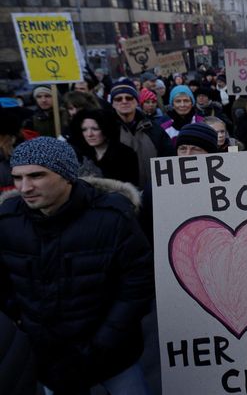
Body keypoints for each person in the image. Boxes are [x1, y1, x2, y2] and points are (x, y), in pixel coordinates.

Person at [0, 137, 153, 394]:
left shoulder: (112, 216)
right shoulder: (8, 220)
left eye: (36, 175)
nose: (24, 187)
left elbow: (137, 283)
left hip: (112, 353)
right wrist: (22, 317)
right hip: (49, 356)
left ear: (66, 175)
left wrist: (103, 342)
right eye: (18, 177)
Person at [110, 78, 174, 188]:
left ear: (136, 101)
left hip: (154, 194)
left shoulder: (154, 129)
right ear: (113, 103)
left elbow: (170, 161)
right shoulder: (105, 131)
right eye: (118, 99)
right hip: (119, 198)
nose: (124, 101)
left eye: (129, 98)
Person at [69, 109, 139, 185]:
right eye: (84, 129)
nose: (89, 134)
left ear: (106, 129)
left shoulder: (126, 154)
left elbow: (130, 188)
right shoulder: (82, 155)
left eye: (95, 129)